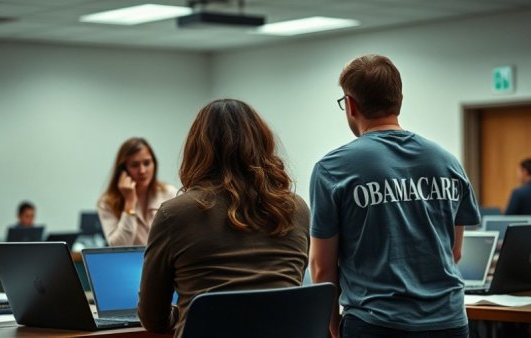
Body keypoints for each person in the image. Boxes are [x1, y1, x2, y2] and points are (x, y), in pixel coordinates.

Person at [309, 55, 480, 338]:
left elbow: (321, 266)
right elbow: (454, 251)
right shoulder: (447, 162)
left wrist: (333, 325)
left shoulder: (332, 168)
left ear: (351, 105)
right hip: (449, 322)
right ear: (399, 99)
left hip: (376, 324)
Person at [138, 99, 310, 338]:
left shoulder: (174, 214)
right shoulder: (297, 209)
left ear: (197, 148)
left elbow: (153, 319)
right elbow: (280, 294)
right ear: (263, 143)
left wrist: (191, 312)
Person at [98, 137, 176, 246]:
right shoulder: (107, 202)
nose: (142, 171)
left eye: (147, 163)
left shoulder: (169, 194)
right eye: (135, 165)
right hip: (129, 262)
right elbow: (118, 246)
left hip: (164, 262)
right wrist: (130, 202)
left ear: (154, 164)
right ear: (123, 170)